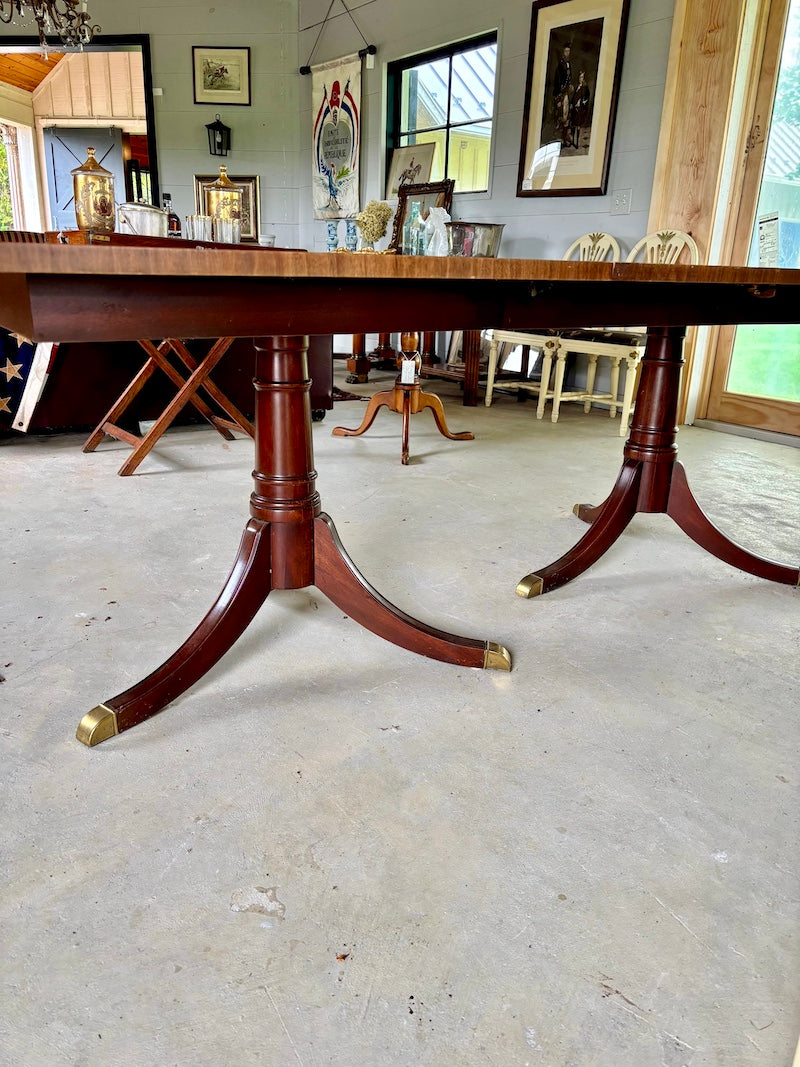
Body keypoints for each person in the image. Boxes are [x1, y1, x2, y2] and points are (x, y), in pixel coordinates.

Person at [552, 44, 573, 146]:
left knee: (566, 115)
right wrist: (561, 90)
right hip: (560, 93)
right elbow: (559, 80)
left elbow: (569, 77)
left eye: (568, 51)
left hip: (566, 93)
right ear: (563, 52)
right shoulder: (560, 65)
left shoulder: (568, 63)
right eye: (566, 51)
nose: (567, 53)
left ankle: (565, 137)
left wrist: (570, 85)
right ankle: (560, 139)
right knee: (561, 115)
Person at [570, 70, 591, 149]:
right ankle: (572, 141)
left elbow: (587, 97)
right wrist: (572, 104)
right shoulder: (577, 87)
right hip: (574, 109)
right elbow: (573, 97)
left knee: (578, 125)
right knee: (573, 125)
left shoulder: (585, 88)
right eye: (579, 77)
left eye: (581, 77)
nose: (580, 79)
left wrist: (583, 102)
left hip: (580, 109)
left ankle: (577, 143)